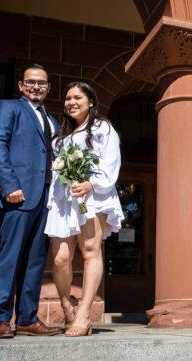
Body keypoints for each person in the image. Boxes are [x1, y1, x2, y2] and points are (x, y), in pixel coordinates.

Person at [0, 63, 62, 338]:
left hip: (46, 200)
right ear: (21, 85)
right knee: (10, 258)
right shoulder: (8, 107)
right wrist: (10, 186)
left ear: (48, 87)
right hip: (18, 197)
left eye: (41, 83)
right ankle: (0, 320)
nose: (36, 86)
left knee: (35, 261)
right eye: (30, 82)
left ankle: (29, 318)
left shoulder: (52, 121)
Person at [45, 82, 124, 337]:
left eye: (77, 97)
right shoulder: (60, 137)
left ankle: (84, 313)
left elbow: (111, 164)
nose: (71, 102)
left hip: (93, 196)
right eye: (67, 98)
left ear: (91, 102)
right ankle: (67, 305)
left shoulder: (104, 129)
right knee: (60, 258)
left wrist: (91, 183)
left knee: (90, 251)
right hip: (64, 199)